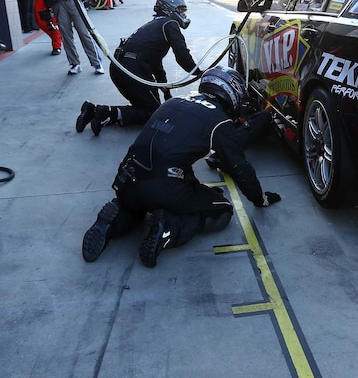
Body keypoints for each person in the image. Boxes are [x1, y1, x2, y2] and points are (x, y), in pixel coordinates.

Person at [80, 66, 281, 267]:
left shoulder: (174, 101)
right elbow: (240, 168)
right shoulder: (220, 121)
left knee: (142, 202)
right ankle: (168, 228)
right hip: (164, 185)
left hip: (127, 176)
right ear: (233, 93)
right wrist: (259, 199)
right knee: (222, 210)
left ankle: (113, 220)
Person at [76, 0, 199, 136]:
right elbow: (182, 55)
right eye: (181, 10)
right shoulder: (170, 24)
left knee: (144, 107)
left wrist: (166, 92)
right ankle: (105, 112)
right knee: (153, 113)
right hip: (133, 70)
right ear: (171, 9)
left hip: (120, 68)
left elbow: (156, 64)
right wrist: (198, 72)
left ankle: (92, 111)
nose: (184, 15)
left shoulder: (154, 25)